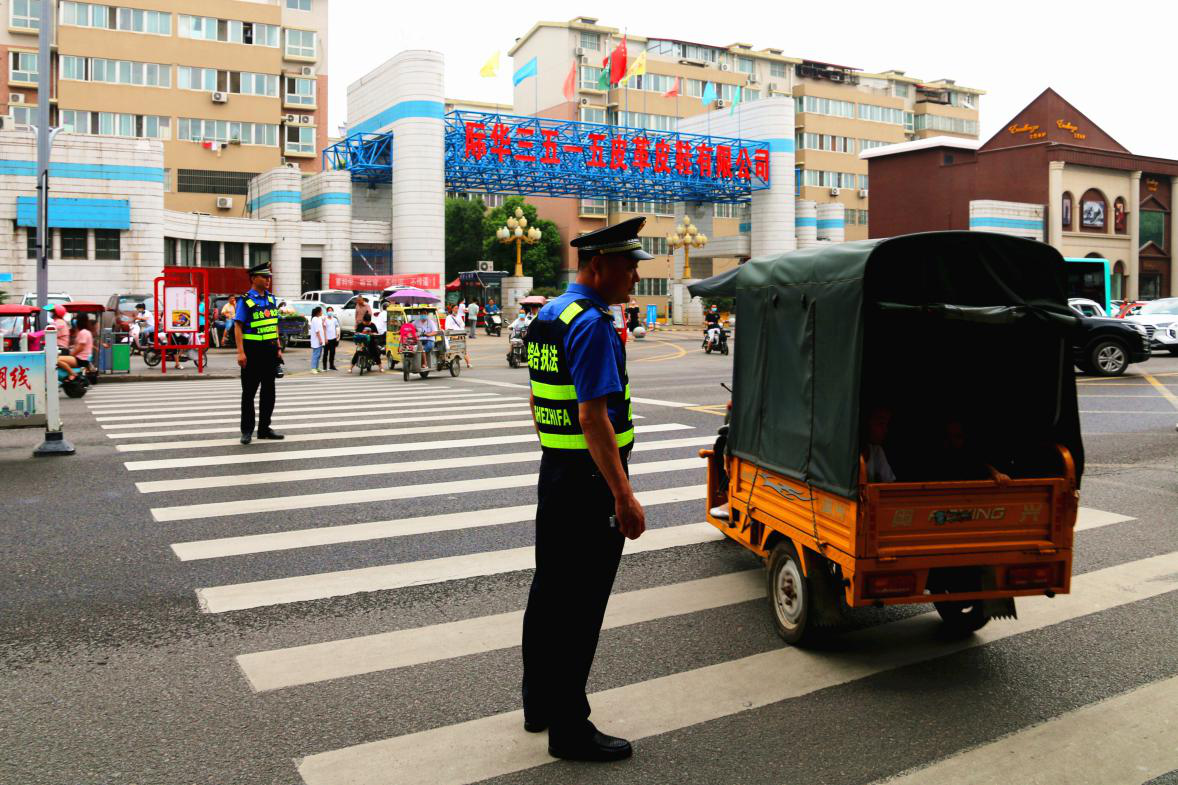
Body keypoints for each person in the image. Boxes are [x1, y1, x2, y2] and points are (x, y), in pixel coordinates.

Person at [521, 215, 649, 763]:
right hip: (591, 483)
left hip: (557, 474)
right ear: (599, 266)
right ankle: (570, 727)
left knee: (549, 594)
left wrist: (558, 449)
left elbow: (536, 399)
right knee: (580, 606)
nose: (635, 277)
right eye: (629, 265)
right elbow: (594, 417)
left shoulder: (549, 313)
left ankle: (539, 703)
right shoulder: (594, 323)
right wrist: (622, 495)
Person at [234, 262, 284, 445]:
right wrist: (240, 352)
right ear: (254, 278)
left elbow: (274, 324)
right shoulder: (245, 300)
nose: (268, 280)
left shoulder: (271, 299)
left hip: (270, 351)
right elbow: (238, 327)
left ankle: (264, 429)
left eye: (269, 277)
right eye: (264, 277)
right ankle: (247, 431)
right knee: (249, 393)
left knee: (269, 392)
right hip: (252, 351)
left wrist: (278, 347)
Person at [864, 405, 896, 483]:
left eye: (886, 425)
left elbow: (889, 484)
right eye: (881, 424)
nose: (885, 430)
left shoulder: (876, 451)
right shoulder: (849, 452)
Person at [444, 304, 470, 368]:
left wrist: (461, 331)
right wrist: (452, 331)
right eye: (455, 308)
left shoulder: (459, 317)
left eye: (457, 308)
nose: (456, 310)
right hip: (452, 336)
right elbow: (447, 327)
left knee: (463, 349)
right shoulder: (448, 317)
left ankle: (468, 363)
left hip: (460, 335)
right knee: (450, 349)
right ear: (452, 309)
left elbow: (462, 325)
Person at [309, 306, 326, 375]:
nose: (322, 312)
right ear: (318, 312)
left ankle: (317, 367)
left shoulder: (319, 318)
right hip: (317, 340)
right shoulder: (314, 319)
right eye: (321, 311)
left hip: (320, 339)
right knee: (315, 354)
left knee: (318, 355)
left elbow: (322, 327)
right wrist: (320, 339)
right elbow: (317, 331)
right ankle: (313, 368)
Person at [323, 306, 340, 370]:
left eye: (331, 311)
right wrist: (325, 338)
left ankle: (331, 365)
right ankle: (324, 367)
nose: (330, 312)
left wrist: (337, 335)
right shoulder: (325, 319)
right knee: (325, 353)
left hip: (333, 338)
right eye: (329, 311)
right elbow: (324, 329)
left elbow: (337, 327)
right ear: (327, 312)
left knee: (332, 353)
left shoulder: (334, 319)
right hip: (327, 339)